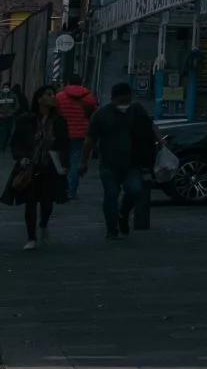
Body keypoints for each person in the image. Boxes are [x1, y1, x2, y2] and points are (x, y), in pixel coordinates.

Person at [81, 82, 155, 240]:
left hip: (132, 162)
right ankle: (112, 228)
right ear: (113, 99)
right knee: (111, 194)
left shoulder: (136, 110)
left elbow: (150, 126)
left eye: (126, 100)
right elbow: (89, 138)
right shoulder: (102, 114)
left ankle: (123, 213)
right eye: (121, 101)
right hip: (109, 162)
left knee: (134, 189)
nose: (124, 104)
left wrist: (160, 142)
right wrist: (84, 161)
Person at [4, 86, 68, 249]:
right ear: (39, 99)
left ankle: (43, 224)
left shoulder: (59, 120)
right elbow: (16, 143)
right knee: (30, 203)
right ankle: (31, 238)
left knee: (47, 204)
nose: (53, 97)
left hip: (50, 166)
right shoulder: (26, 119)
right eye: (49, 94)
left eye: (53, 94)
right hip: (30, 167)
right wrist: (21, 158)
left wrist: (65, 164)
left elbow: (64, 144)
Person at [53, 77, 97, 199]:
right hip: (81, 133)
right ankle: (71, 190)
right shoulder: (89, 97)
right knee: (75, 162)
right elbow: (93, 116)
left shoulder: (59, 96)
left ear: (67, 83)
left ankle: (61, 187)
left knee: (61, 161)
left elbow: (55, 114)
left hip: (62, 133)